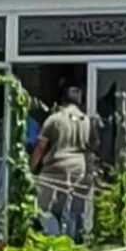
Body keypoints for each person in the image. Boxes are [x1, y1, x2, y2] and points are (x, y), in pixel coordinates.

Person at [33, 86, 95, 242]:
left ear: (63, 100)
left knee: (43, 208)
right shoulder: (86, 120)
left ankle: (53, 239)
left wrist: (31, 168)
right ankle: (71, 240)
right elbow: (92, 146)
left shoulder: (54, 119)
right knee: (71, 209)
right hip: (79, 169)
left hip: (56, 167)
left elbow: (41, 147)